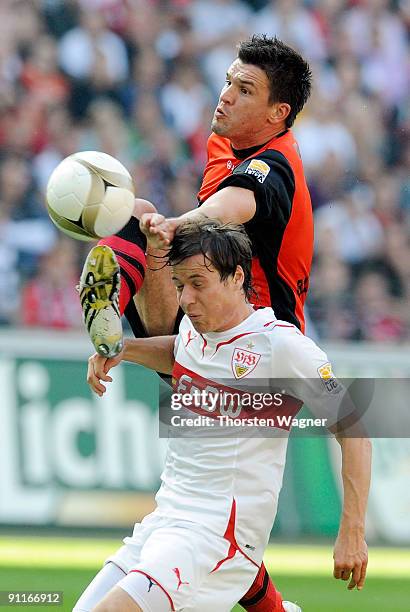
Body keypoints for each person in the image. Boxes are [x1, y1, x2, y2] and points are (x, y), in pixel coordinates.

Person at [77, 35, 315, 612]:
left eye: (245, 89)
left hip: (258, 361)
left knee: (142, 219)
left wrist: (174, 227)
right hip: (204, 342)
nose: (226, 95)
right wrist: (129, 350)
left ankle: (114, 311)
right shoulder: (220, 144)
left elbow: (227, 210)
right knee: (216, 514)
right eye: (228, 80)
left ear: (277, 113)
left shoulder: (275, 166)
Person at [75, 219, 371, 612]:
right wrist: (124, 351)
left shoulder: (281, 347)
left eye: (199, 283)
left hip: (216, 536)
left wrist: (352, 529)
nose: (186, 300)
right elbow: (180, 353)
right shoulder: (198, 332)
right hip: (165, 521)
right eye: (180, 285)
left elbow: (354, 431)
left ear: (236, 277)